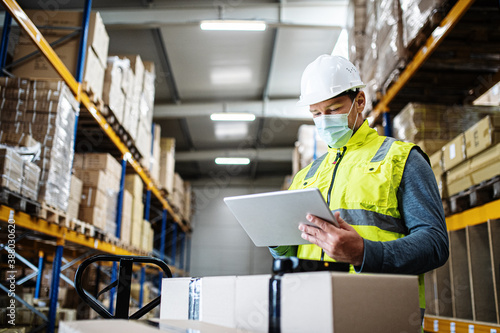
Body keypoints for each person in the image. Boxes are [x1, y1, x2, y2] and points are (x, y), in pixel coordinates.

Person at [269, 54, 449, 318]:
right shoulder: (305, 177)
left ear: (359, 101)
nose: (324, 120)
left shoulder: (401, 159)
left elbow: (435, 244)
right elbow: (291, 250)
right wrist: (276, 241)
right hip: (313, 315)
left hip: (380, 315)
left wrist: (365, 253)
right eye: (316, 113)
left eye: (333, 109)